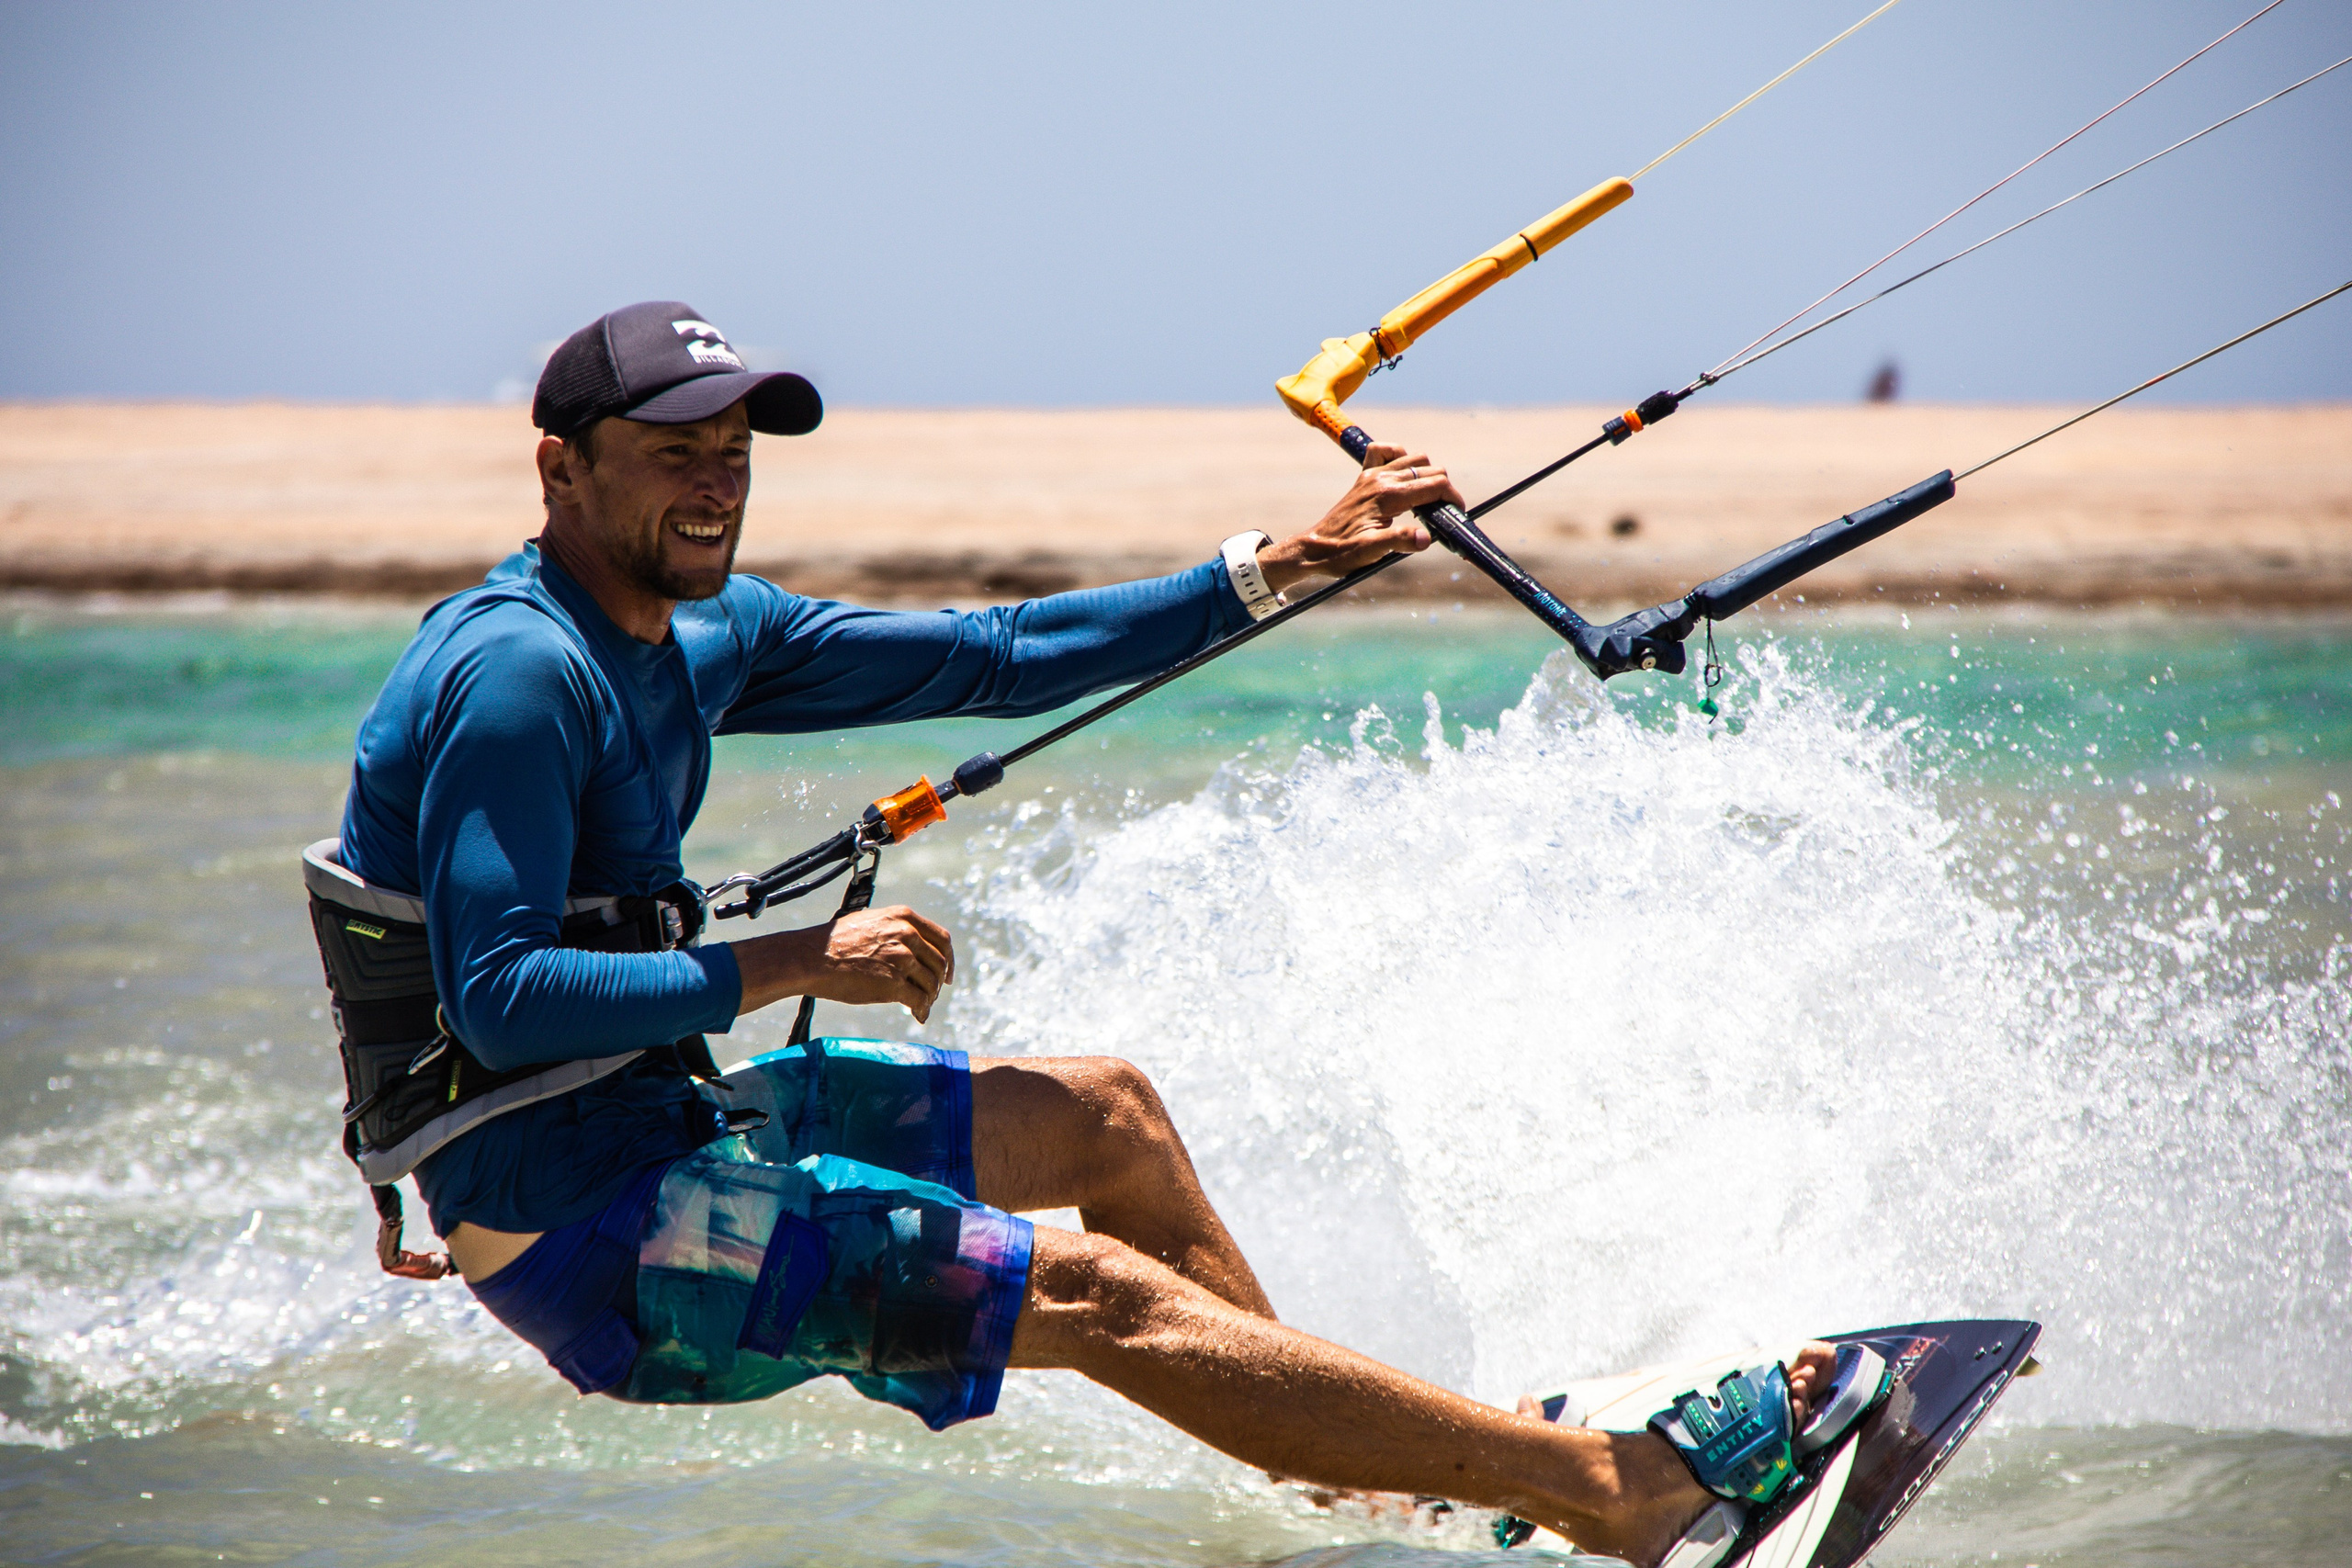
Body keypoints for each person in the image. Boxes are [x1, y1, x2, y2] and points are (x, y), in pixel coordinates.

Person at [316, 300, 1842, 1567]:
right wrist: (798, 963)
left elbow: (1000, 653)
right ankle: (1614, 1495)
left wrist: (1288, 565)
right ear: (560, 468)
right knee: (1100, 1302)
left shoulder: (705, 634)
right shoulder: (519, 675)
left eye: (734, 453)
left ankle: (1364, 1482)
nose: (714, 486)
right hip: (587, 1237)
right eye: (671, 456)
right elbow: (504, 998)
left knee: (1104, 1120)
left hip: (660, 1126)